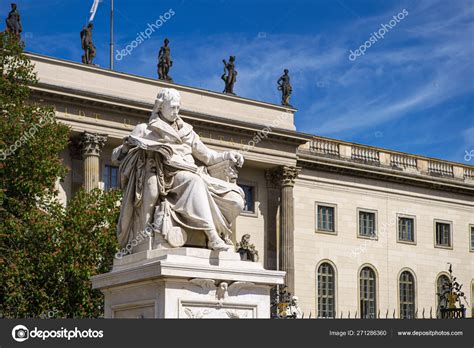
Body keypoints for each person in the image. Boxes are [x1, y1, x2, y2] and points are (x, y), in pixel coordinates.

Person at [112, 88, 245, 251]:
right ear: (161, 107)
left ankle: (219, 234)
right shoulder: (145, 129)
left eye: (178, 107)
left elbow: (208, 157)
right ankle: (212, 237)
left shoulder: (187, 131)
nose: (176, 112)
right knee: (193, 181)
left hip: (192, 173)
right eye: (172, 107)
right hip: (166, 175)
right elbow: (115, 157)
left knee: (235, 198)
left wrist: (228, 155)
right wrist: (126, 146)